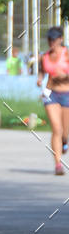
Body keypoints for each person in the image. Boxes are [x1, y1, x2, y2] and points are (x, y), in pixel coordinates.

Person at [37, 26, 69, 174]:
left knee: (65, 132)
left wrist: (65, 76)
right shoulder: (44, 56)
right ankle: (58, 165)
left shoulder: (67, 54)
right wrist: (40, 79)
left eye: (54, 39)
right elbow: (42, 71)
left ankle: (65, 140)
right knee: (56, 128)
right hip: (50, 94)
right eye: (50, 39)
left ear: (60, 39)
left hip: (67, 94)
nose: (52, 42)